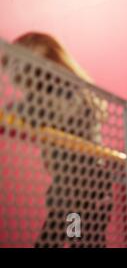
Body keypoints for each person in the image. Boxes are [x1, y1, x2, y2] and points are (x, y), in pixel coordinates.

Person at [8, 32, 111, 247]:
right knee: (61, 237)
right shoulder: (45, 94)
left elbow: (58, 109)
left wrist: (16, 111)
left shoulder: (70, 90)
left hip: (86, 190)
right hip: (67, 190)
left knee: (79, 240)